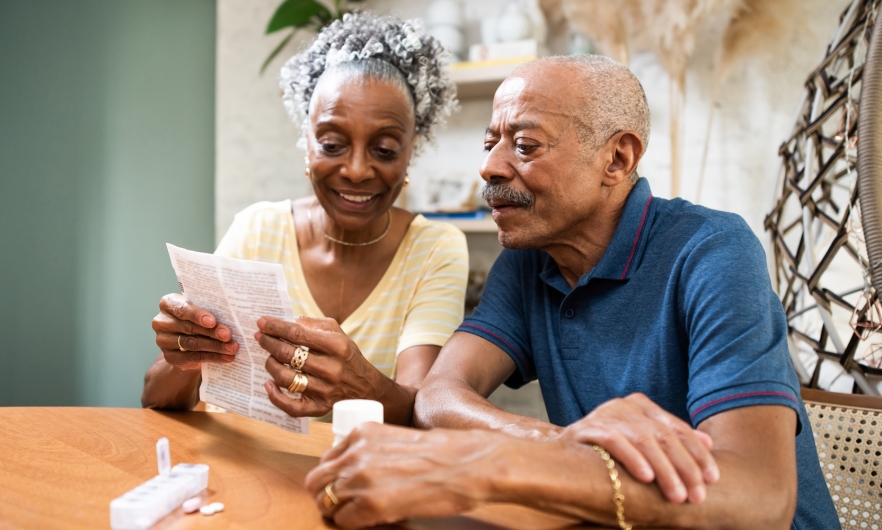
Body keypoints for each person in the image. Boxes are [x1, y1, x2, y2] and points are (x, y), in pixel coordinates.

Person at [302, 55, 840, 529]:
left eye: (525, 145)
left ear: (618, 159)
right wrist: (558, 443)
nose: (489, 166)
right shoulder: (530, 255)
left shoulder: (713, 251)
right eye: (492, 143)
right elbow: (440, 397)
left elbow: (758, 500)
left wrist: (489, 464)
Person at [141, 13, 467, 426]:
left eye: (384, 149)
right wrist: (184, 353)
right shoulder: (258, 230)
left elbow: (421, 413)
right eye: (332, 144)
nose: (356, 170)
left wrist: (359, 382)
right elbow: (155, 399)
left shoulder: (435, 248)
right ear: (307, 142)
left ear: (410, 152)